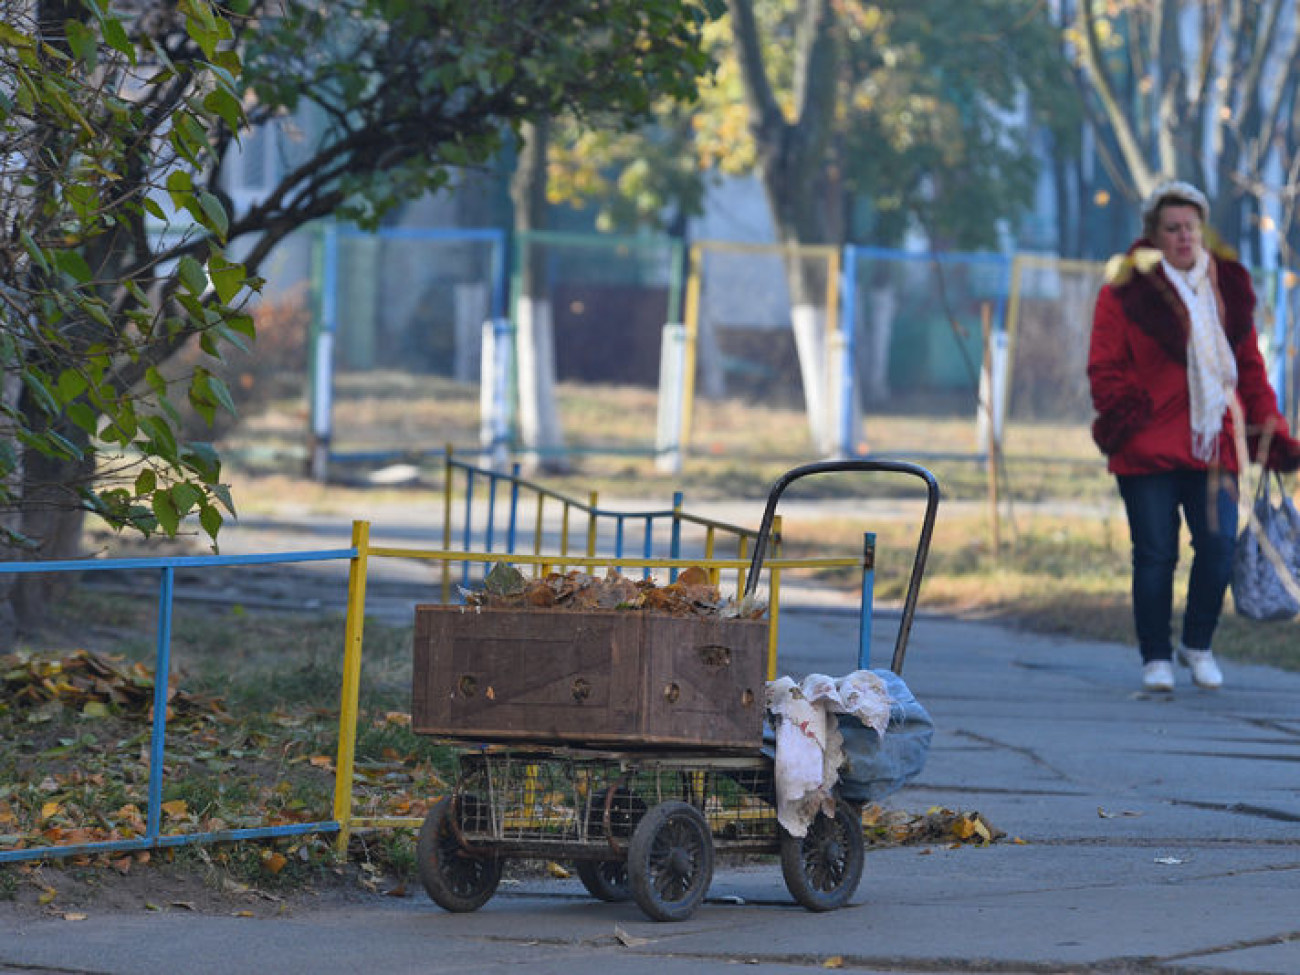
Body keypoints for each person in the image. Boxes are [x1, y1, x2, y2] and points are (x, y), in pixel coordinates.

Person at [1087, 178, 1300, 692]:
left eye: (1192, 228)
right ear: (1154, 234)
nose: (1185, 237)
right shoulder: (1127, 292)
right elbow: (1104, 365)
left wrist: (1268, 427)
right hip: (1146, 444)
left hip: (1214, 444)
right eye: (1173, 228)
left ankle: (1197, 644)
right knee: (1156, 553)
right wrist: (1126, 409)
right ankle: (1156, 658)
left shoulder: (1227, 287)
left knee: (1221, 545)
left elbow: (1248, 367)